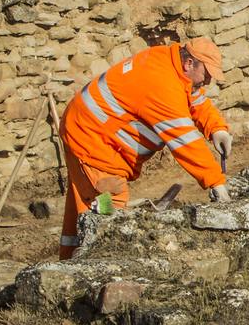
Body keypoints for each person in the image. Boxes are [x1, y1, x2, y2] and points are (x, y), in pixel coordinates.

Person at [57, 38, 234, 259]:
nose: (208, 81)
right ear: (189, 63)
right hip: (91, 143)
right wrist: (215, 182)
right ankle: (98, 265)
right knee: (108, 209)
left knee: (82, 203)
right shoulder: (161, 84)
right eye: (206, 73)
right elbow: (185, 141)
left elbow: (194, 100)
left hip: (94, 133)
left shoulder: (170, 63)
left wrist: (217, 128)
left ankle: (66, 263)